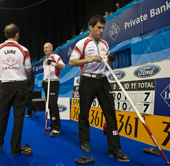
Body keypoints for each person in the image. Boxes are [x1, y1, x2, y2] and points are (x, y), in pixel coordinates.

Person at [69, 15, 129, 162]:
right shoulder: (82, 43)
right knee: (84, 113)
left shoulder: (104, 44)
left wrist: (110, 58)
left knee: (110, 113)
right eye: (99, 28)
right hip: (87, 80)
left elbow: (106, 58)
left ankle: (115, 149)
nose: (101, 30)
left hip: (102, 79)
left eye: (103, 28)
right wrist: (89, 59)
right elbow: (71, 62)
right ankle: (84, 141)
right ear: (91, 27)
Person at [0, 23, 32, 156]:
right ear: (17, 34)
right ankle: (15, 149)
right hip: (20, 85)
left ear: (5, 35)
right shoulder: (24, 49)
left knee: (2, 116)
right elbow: (28, 69)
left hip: (6, 85)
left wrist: (3, 74)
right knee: (18, 117)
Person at [42, 43, 65, 137]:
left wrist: (54, 63)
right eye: (44, 48)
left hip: (53, 82)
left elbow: (63, 67)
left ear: (51, 49)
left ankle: (57, 128)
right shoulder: (44, 60)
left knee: (53, 105)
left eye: (47, 47)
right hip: (46, 83)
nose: (45, 49)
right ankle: (52, 124)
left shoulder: (56, 56)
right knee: (49, 105)